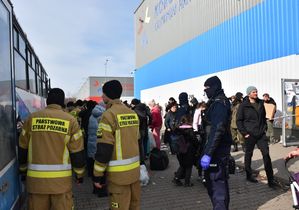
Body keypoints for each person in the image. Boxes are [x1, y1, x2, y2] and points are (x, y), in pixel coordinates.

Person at [18, 88, 86, 210]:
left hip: (36, 183)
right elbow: (77, 152)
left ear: (47, 101)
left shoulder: (31, 119)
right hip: (61, 184)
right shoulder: (71, 121)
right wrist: (79, 174)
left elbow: (23, 147)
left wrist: (22, 170)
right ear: (62, 102)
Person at [93, 80, 141, 210]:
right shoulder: (132, 114)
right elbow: (137, 141)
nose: (102, 97)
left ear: (107, 95)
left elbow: (104, 148)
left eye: (103, 94)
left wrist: (97, 175)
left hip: (119, 177)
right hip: (134, 174)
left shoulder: (108, 115)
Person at [199, 76, 232, 210]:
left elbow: (217, 130)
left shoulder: (219, 103)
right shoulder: (215, 102)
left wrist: (208, 153)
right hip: (214, 149)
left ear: (214, 87)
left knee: (217, 184)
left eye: (207, 88)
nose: (206, 91)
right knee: (214, 184)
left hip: (217, 152)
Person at [236, 86, 276, 188]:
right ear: (249, 94)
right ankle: (249, 175)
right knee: (249, 154)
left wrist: (265, 127)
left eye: (256, 91)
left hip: (261, 134)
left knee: (266, 154)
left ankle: (271, 180)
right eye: (254, 92)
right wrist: (245, 133)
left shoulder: (261, 103)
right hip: (250, 135)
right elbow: (239, 121)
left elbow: (265, 114)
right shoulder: (243, 106)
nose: (256, 93)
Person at [87, 101, 107, 197]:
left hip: (92, 144)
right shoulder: (103, 116)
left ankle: (95, 189)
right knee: (101, 168)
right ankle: (101, 190)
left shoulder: (93, 115)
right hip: (99, 144)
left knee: (95, 167)